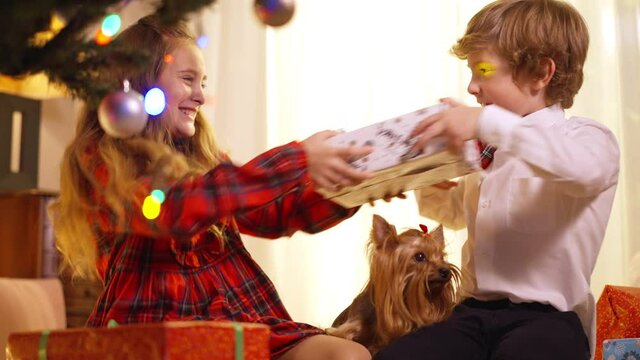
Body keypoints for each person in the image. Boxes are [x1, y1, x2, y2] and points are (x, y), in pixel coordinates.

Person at [49, 15, 373, 360]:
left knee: (347, 355)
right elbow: (172, 211)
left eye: (202, 82)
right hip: (154, 328)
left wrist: (353, 189)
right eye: (188, 80)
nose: (201, 96)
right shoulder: (99, 156)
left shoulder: (204, 157)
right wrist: (298, 158)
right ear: (140, 82)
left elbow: (272, 216)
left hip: (235, 317)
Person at [375, 1, 620, 359]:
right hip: (472, 314)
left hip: (547, 321)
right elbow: (459, 214)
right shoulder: (489, 151)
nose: (472, 87)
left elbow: (582, 171)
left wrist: (485, 124)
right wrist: (428, 178)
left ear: (540, 73)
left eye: (484, 70)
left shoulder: (587, 139)